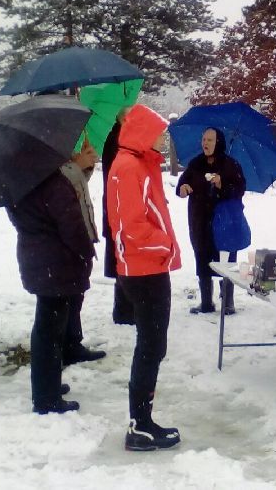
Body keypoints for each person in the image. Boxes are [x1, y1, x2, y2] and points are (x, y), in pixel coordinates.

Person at [106, 104, 182, 451]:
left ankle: (143, 420)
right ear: (142, 133)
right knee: (150, 347)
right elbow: (131, 226)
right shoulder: (128, 167)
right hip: (143, 268)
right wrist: (164, 243)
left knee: (153, 346)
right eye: (158, 133)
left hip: (149, 266)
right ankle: (139, 425)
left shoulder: (138, 163)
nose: (163, 139)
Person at [6, 165, 96, 414]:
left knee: (47, 328)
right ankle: (46, 398)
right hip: (57, 263)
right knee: (50, 332)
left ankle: (48, 386)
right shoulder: (53, 183)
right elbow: (72, 227)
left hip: (37, 259)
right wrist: (86, 251)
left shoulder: (17, 182)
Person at [176, 127, 246, 315]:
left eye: (210, 140)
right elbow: (182, 184)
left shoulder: (230, 165)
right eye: (204, 139)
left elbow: (239, 189)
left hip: (223, 221)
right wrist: (183, 188)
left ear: (218, 142)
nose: (205, 143)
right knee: (202, 258)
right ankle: (206, 302)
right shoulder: (196, 163)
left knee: (226, 260)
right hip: (199, 220)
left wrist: (222, 184)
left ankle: (228, 302)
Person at [60, 138, 108, 365]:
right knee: (67, 296)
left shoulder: (60, 146)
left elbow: (74, 184)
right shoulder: (45, 152)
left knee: (76, 292)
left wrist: (85, 167)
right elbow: (57, 186)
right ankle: (66, 346)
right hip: (66, 238)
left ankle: (72, 343)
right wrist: (77, 165)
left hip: (79, 233)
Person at [102, 109, 135, 325]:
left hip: (119, 209)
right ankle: (123, 310)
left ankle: (125, 309)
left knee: (123, 258)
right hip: (118, 210)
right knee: (122, 258)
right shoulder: (117, 141)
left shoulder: (119, 140)